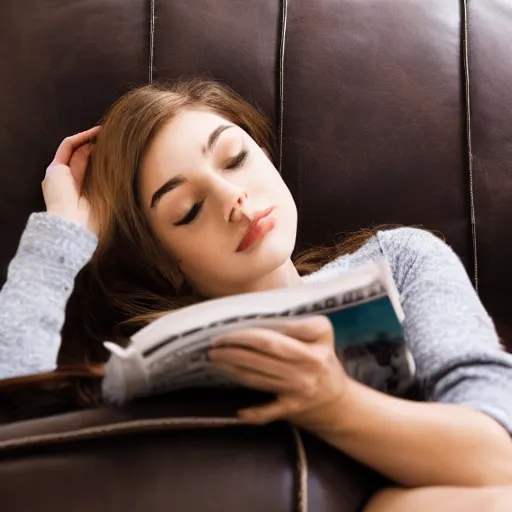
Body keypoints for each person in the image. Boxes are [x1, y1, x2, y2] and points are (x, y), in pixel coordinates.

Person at [1, 78, 512, 511]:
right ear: (166, 264)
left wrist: (336, 406)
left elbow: (500, 455)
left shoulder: (401, 260)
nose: (232, 199)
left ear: (265, 154)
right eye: (188, 210)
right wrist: (59, 238)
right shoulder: (151, 359)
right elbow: (15, 439)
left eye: (235, 157)